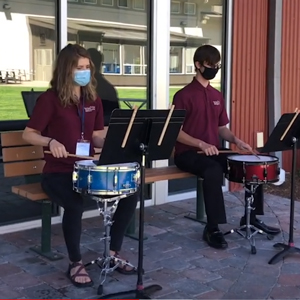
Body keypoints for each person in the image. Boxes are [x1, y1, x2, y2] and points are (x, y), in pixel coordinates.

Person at [22, 44, 138, 288]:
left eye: (88, 68)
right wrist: (50, 141)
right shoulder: (50, 99)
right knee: (74, 204)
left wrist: (110, 140)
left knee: (130, 193)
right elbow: (28, 134)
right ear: (67, 69)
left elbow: (95, 135)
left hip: (86, 169)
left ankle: (114, 252)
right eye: (80, 68)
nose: (85, 72)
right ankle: (75, 262)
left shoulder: (92, 99)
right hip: (58, 172)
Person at [172, 44, 280, 250]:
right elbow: (175, 132)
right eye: (209, 64)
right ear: (198, 65)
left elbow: (222, 128)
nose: (214, 68)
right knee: (212, 170)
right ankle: (212, 227)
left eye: (217, 65)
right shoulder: (183, 95)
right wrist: (200, 143)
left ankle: (252, 217)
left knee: (250, 163)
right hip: (187, 153)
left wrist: (237, 141)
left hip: (213, 150)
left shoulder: (216, 95)